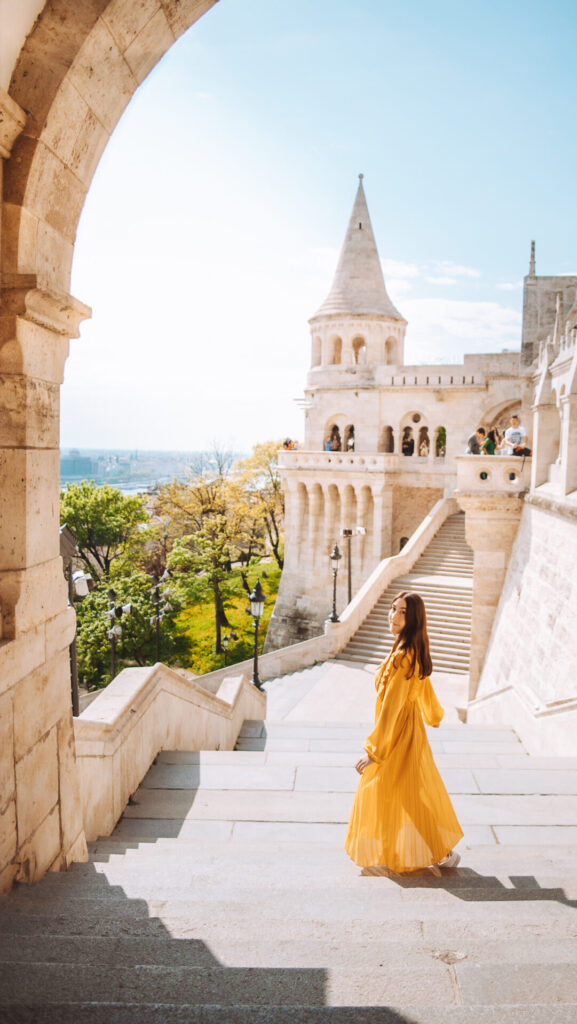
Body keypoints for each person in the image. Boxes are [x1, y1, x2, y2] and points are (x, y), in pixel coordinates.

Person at [345, 591, 463, 873]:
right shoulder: (406, 650)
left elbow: (391, 707)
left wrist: (374, 751)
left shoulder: (405, 657)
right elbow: (422, 688)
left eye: (402, 613)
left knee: (400, 792)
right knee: (398, 792)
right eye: (393, 609)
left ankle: (442, 850)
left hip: (399, 736)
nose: (394, 617)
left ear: (413, 620)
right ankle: (438, 851)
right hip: (404, 732)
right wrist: (433, 715)